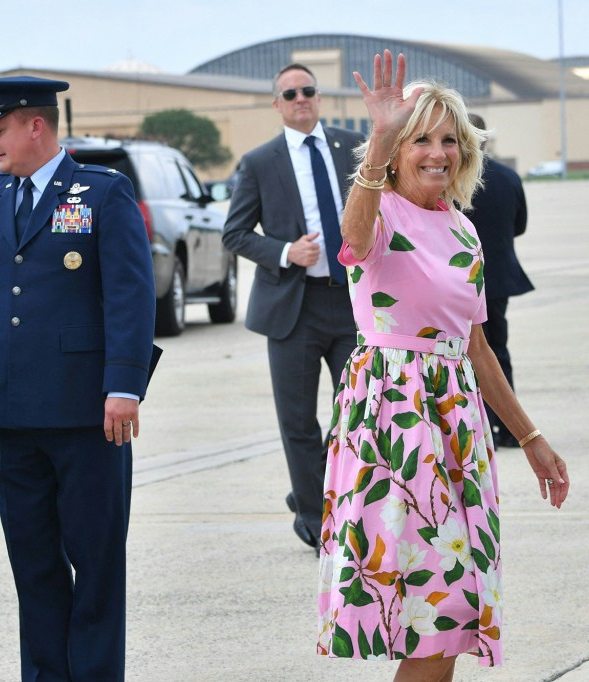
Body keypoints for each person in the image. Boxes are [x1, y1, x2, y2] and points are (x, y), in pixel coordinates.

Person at [317, 51, 569, 681]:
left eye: (449, 139)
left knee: (451, 611)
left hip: (457, 418)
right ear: (397, 149)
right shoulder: (378, 217)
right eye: (420, 138)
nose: (437, 152)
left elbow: (478, 347)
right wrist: (377, 138)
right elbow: (350, 235)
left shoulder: (462, 228)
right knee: (435, 610)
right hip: (396, 418)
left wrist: (532, 438)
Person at [0, 76, 156, 681]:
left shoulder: (102, 192)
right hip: (15, 414)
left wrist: (124, 387)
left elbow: (130, 297)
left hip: (89, 415)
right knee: (33, 567)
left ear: (36, 126)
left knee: (97, 566)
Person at [222, 64, 363, 551]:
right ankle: (316, 519)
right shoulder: (260, 162)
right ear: (276, 104)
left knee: (356, 415)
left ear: (318, 98)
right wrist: (286, 251)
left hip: (351, 304)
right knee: (299, 421)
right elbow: (235, 233)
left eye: (308, 91)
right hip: (293, 308)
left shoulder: (353, 148)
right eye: (290, 93)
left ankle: (329, 494)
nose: (300, 98)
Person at [461, 113, 534, 449]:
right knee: (497, 350)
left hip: (461, 279)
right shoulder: (508, 177)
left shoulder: (453, 179)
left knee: (466, 353)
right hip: (499, 278)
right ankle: (509, 428)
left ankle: (480, 424)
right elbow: (520, 225)